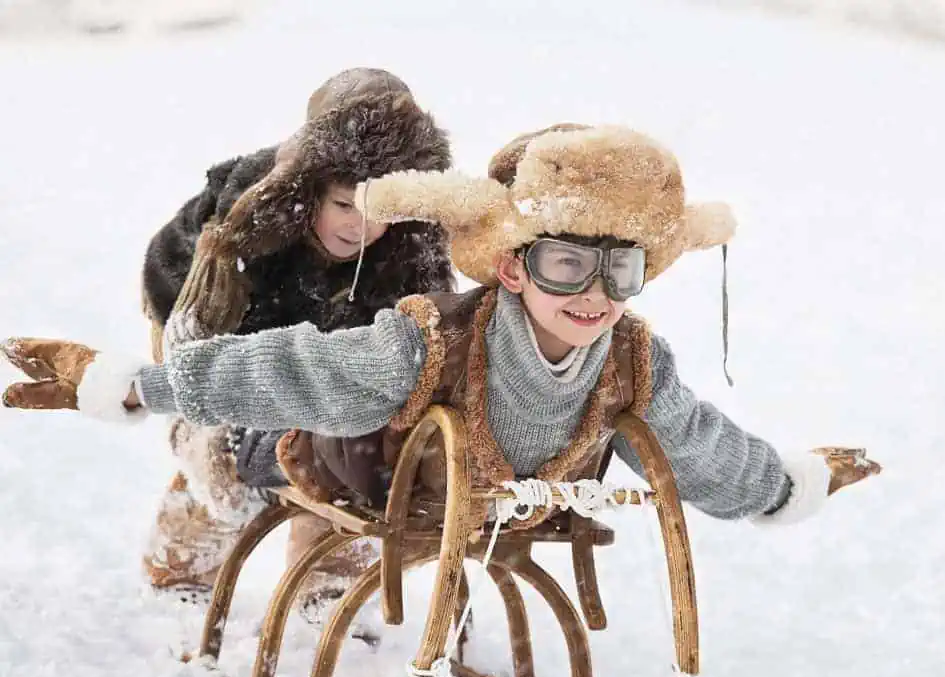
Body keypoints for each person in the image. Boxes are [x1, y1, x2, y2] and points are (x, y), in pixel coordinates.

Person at [2, 123, 879, 535]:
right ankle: (210, 493)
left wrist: (780, 485)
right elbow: (300, 368)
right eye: (567, 264)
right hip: (372, 472)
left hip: (524, 507)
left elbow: (695, 442)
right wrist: (141, 382)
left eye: (622, 270)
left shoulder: (633, 361)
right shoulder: (431, 340)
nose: (594, 296)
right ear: (511, 265)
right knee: (255, 451)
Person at [136, 67, 455, 606]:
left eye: (381, 210)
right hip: (228, 374)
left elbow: (425, 343)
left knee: (356, 459)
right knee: (221, 457)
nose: (361, 226)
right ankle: (183, 573)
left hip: (336, 397)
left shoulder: (411, 245)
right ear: (312, 189)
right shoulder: (245, 217)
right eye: (344, 204)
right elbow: (185, 330)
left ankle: (329, 590)